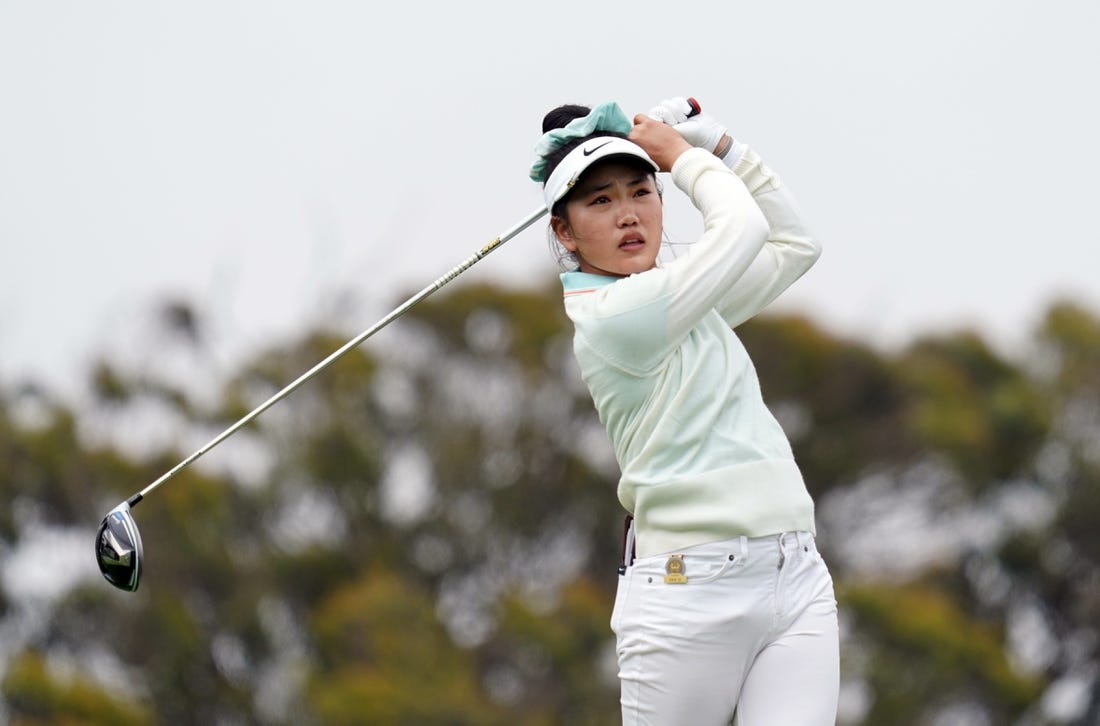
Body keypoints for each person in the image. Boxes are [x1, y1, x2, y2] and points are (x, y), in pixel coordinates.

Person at [529, 98, 839, 725]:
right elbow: (744, 229)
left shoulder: (685, 299)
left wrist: (723, 145)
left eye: (641, 191)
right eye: (600, 202)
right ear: (564, 231)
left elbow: (795, 243)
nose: (628, 216)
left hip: (796, 575)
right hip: (686, 591)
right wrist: (684, 156)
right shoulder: (616, 318)